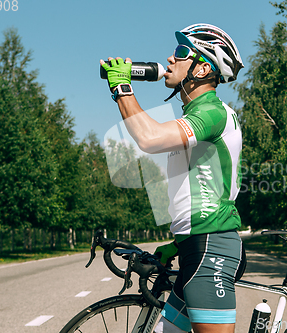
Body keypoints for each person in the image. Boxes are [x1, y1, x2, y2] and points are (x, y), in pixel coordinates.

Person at [100, 24, 245, 333]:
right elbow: (206, 190)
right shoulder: (199, 114)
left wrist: (122, 89)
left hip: (211, 248)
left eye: (181, 53)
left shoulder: (212, 112)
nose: (169, 58)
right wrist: (178, 244)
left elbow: (150, 138)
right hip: (197, 245)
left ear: (203, 68)